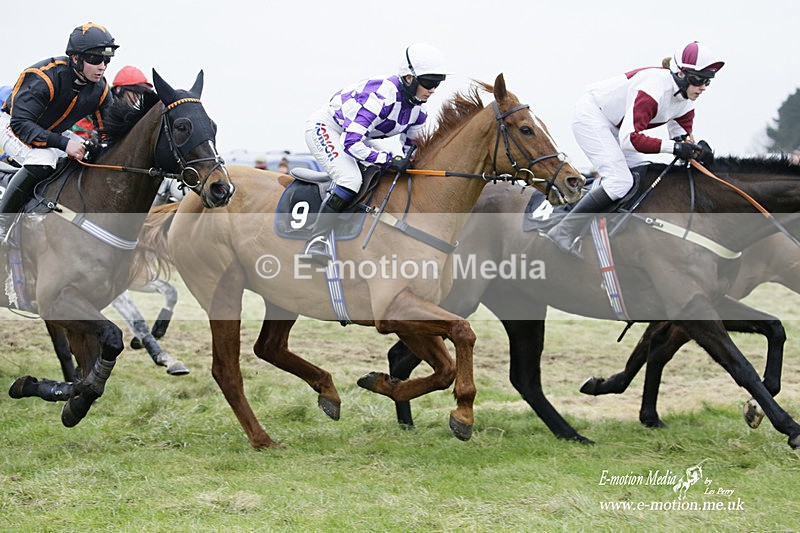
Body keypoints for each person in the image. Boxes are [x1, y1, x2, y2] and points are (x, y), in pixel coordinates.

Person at [546, 41, 724, 259]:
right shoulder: (653, 88)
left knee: (641, 174)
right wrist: (675, 147)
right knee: (620, 182)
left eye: (708, 80)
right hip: (593, 116)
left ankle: (612, 224)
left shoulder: (686, 100)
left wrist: (698, 151)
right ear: (679, 74)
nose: (703, 86)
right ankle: (564, 230)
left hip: (617, 126)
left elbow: (682, 139)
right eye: (698, 79)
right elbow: (631, 139)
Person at [301, 42, 449, 264]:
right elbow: (351, 143)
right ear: (409, 78)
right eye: (428, 82)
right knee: (350, 179)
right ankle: (316, 240)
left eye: (438, 83)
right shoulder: (381, 96)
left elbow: (414, 148)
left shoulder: (418, 109)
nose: (433, 89)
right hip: (327, 129)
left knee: (395, 173)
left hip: (358, 136)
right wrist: (389, 160)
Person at [0, 22, 118, 237]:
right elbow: (21, 124)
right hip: (12, 124)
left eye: (106, 60)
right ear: (75, 58)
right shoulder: (43, 76)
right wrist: (64, 144)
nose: (102, 66)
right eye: (94, 59)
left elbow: (108, 132)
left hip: (51, 129)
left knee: (86, 158)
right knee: (43, 160)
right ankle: (2, 224)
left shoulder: (101, 88)